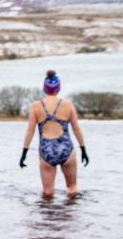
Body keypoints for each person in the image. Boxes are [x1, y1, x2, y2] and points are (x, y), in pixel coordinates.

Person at [20, 70, 88, 198]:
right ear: (59, 88)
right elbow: (76, 129)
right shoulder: (67, 104)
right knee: (72, 188)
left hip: (46, 150)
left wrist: (24, 153)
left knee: (47, 193)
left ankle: (46, 218)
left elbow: (30, 131)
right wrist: (83, 149)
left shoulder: (36, 106)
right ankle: (72, 216)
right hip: (66, 149)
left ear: (44, 88)